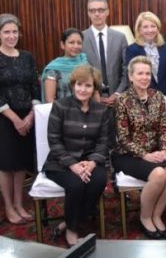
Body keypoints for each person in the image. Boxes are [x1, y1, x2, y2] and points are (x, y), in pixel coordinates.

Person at [0, 13, 40, 225]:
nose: (11, 36)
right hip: (4, 119)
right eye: (6, 32)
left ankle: (19, 204)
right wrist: (15, 119)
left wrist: (31, 116)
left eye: (14, 31)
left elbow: (35, 87)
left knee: (21, 164)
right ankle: (9, 207)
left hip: (28, 117)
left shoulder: (27, 56)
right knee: (6, 165)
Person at [113, 56, 166, 239]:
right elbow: (122, 138)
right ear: (131, 76)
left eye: (147, 73)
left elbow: (164, 129)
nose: (144, 77)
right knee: (158, 174)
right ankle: (145, 218)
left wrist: (164, 150)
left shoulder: (158, 97)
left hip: (155, 152)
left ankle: (157, 214)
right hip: (127, 155)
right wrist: (145, 155)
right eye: (140, 73)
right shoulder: (122, 100)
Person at [43, 65, 110, 247]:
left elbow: (104, 142)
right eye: (79, 84)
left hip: (90, 161)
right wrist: (72, 165)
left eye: (88, 86)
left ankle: (67, 221)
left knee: (98, 181)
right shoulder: (60, 106)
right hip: (60, 163)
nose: (83, 89)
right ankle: (72, 229)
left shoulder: (101, 110)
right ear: (73, 85)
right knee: (76, 184)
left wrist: (93, 162)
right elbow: (54, 140)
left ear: (94, 88)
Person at [125, 11, 166, 118]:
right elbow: (132, 78)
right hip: (143, 103)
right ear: (139, 29)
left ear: (158, 28)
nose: (150, 30)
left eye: (153, 26)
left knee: (165, 133)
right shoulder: (132, 49)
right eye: (145, 27)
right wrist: (147, 99)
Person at [82, 0, 128, 106]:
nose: (97, 14)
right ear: (88, 13)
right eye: (92, 11)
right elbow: (79, 70)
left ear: (107, 12)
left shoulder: (120, 37)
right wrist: (93, 93)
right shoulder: (81, 38)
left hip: (117, 99)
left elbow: (127, 68)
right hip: (90, 99)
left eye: (101, 10)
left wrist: (118, 93)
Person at [41, 28, 89, 102]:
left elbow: (94, 92)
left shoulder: (85, 63)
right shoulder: (53, 69)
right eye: (71, 42)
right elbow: (49, 99)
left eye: (79, 43)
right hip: (63, 111)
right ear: (63, 45)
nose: (76, 46)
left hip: (86, 110)